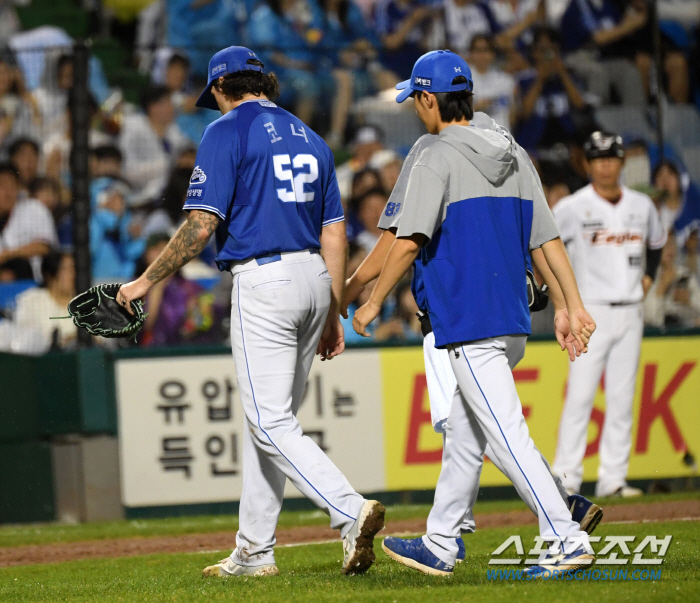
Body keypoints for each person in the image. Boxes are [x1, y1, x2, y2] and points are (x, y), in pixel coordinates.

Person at [117, 45, 385, 578]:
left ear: (221, 87)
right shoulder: (311, 135)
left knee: (268, 421)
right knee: (269, 421)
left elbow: (200, 224)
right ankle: (254, 550)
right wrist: (331, 311)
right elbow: (335, 232)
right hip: (313, 279)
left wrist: (147, 280)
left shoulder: (225, 131)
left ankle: (350, 511)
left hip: (265, 279)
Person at [351, 49, 597, 577]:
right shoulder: (512, 150)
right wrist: (570, 304)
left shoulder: (434, 153)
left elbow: (410, 240)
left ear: (428, 98)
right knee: (466, 434)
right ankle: (441, 541)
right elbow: (547, 239)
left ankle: (565, 536)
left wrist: (371, 299)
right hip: (508, 316)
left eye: (417, 99)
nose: (416, 109)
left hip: (468, 317)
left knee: (506, 435)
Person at [551, 132, 667, 498]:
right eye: (597, 158)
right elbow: (547, 248)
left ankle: (613, 478)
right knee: (580, 396)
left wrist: (648, 276)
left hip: (630, 309)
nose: (605, 165)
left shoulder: (641, 205)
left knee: (621, 397)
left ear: (621, 162)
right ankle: (565, 479)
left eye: (611, 158)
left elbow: (657, 244)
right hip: (590, 309)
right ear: (587, 164)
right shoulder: (571, 206)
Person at [513, 27, 586, 153]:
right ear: (534, 52)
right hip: (535, 142)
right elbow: (525, 113)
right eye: (542, 50)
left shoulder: (567, 78)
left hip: (566, 139)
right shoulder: (524, 80)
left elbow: (579, 104)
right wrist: (540, 79)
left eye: (552, 49)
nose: (547, 55)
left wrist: (562, 73)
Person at [119, 85, 192, 205]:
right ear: (152, 107)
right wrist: (166, 164)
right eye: (167, 103)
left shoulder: (173, 130)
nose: (171, 107)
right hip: (136, 197)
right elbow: (126, 170)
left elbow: (186, 149)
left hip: (165, 197)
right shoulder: (133, 127)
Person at [0, 163, 57, 281]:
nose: (8, 191)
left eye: (12, 185)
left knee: (20, 264)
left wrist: (8, 255)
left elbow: (44, 247)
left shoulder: (33, 207)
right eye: (3, 185)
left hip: (34, 284)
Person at [13, 250, 77, 350]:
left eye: (74, 269)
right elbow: (25, 339)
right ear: (50, 275)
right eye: (67, 269)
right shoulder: (31, 300)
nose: (73, 275)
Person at [468, 34, 515, 129]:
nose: (482, 55)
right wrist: (476, 107)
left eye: (485, 50)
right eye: (478, 50)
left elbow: (513, 114)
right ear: (471, 53)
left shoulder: (506, 80)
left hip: (501, 137)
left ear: (493, 54)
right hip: (473, 137)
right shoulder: (460, 81)